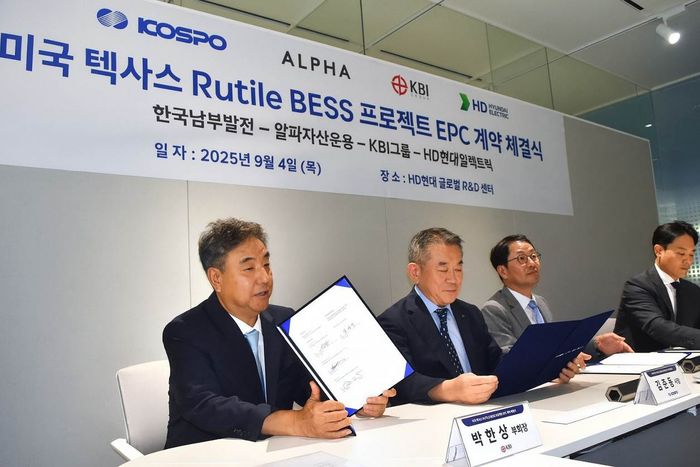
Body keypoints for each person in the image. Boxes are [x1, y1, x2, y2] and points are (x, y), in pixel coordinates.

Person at [163, 218, 394, 448]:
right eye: (249, 268)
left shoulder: (283, 321)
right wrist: (294, 422)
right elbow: (204, 405)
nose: (265, 278)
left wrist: (357, 400)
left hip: (274, 453)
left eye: (266, 265)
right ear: (217, 278)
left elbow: (308, 386)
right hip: (206, 454)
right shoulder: (185, 331)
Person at [377, 227, 584, 406]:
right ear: (415, 272)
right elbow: (403, 382)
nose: (453, 279)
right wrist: (448, 389)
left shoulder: (469, 313)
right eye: (443, 269)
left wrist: (551, 366)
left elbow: (497, 362)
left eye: (458, 268)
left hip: (486, 413)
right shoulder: (394, 321)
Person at [481, 234, 632, 357]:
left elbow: (556, 346)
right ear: (503, 271)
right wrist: (559, 361)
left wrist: (597, 344)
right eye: (521, 258)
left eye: (533, 256)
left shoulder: (540, 302)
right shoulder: (494, 309)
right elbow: (510, 357)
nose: (532, 263)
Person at [614, 220, 700, 352]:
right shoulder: (637, 286)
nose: (688, 261)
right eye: (681, 253)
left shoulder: (692, 290)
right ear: (659, 250)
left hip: (683, 361)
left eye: (691, 254)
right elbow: (657, 327)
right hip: (640, 360)